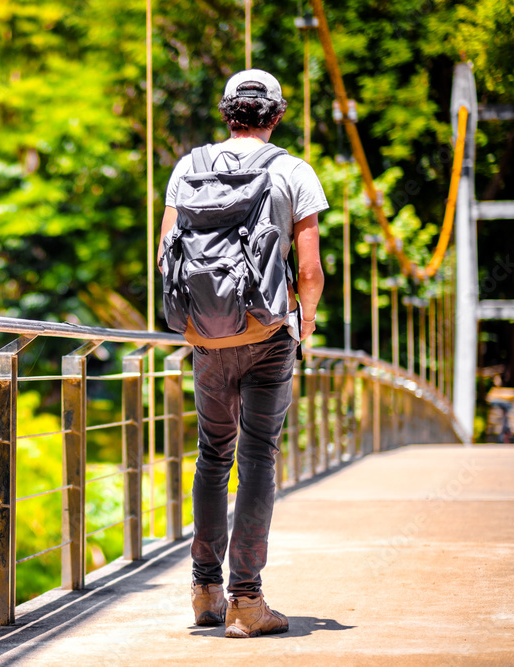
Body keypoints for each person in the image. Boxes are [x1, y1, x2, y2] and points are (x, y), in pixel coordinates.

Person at [157, 69, 327, 638]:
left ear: (226, 112)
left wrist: (196, 321)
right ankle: (246, 602)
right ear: (276, 115)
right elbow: (308, 270)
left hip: (206, 337)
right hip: (266, 332)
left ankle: (204, 591)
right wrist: (301, 324)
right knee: (257, 457)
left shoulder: (188, 167)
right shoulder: (292, 171)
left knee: (212, 455)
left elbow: (167, 252)